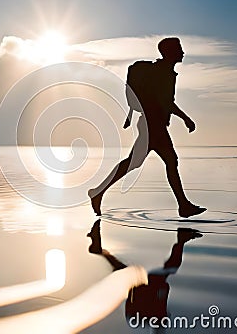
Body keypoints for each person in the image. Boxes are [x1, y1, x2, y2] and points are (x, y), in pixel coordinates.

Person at [88, 37, 206, 218]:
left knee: (136, 163)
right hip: (152, 126)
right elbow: (166, 102)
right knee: (168, 161)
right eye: (179, 49)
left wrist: (183, 118)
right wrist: (186, 118)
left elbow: (166, 102)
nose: (182, 52)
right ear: (169, 52)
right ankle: (183, 206)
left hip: (152, 124)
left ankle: (98, 192)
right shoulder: (162, 74)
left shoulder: (166, 72)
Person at [87, 220, 203, 332]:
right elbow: (164, 288)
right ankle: (100, 251)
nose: (167, 312)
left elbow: (164, 288)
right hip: (143, 287)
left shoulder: (147, 315)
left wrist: (135, 288)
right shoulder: (147, 315)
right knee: (166, 269)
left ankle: (181, 239)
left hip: (142, 287)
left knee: (168, 269)